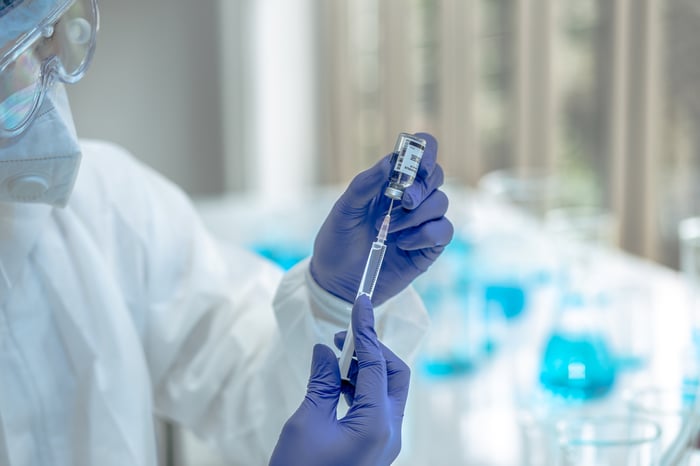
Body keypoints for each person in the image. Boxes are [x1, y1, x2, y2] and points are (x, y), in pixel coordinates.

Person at [0, 0, 453, 465]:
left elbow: (237, 376)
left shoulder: (105, 203)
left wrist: (331, 301)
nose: (50, 59)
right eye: (15, 46)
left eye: (51, 27)